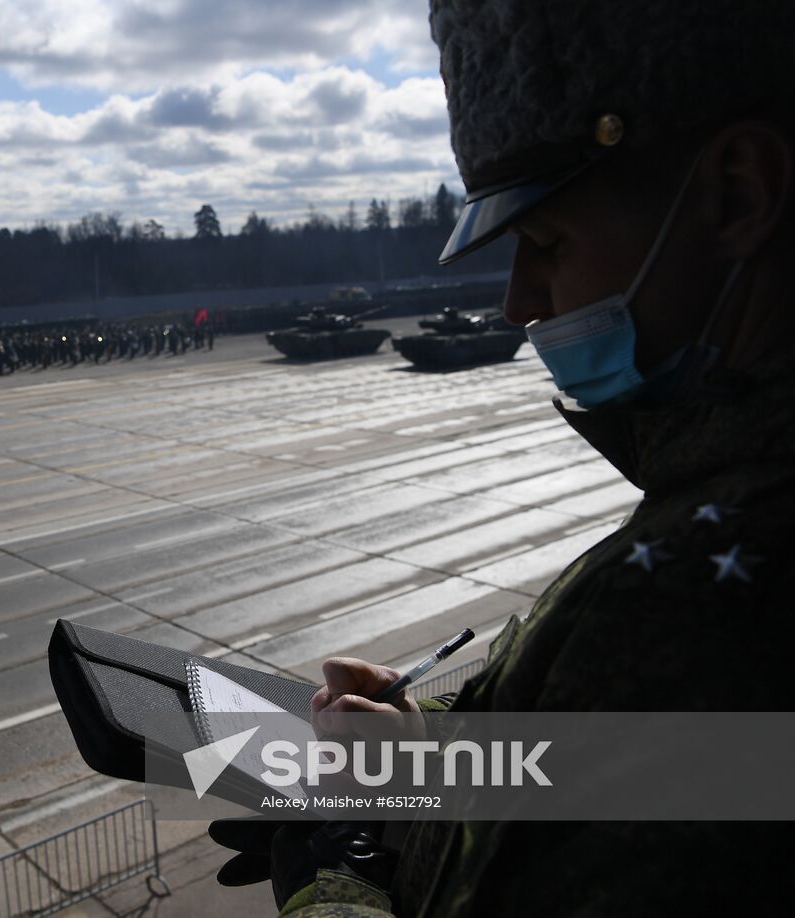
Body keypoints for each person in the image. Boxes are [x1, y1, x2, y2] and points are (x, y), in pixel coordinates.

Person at [216, 2, 795, 914]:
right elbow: (702, 781)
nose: (520, 302)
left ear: (738, 194)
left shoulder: (688, 608)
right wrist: (428, 759)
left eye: (545, 242)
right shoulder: (736, 502)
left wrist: (340, 871)